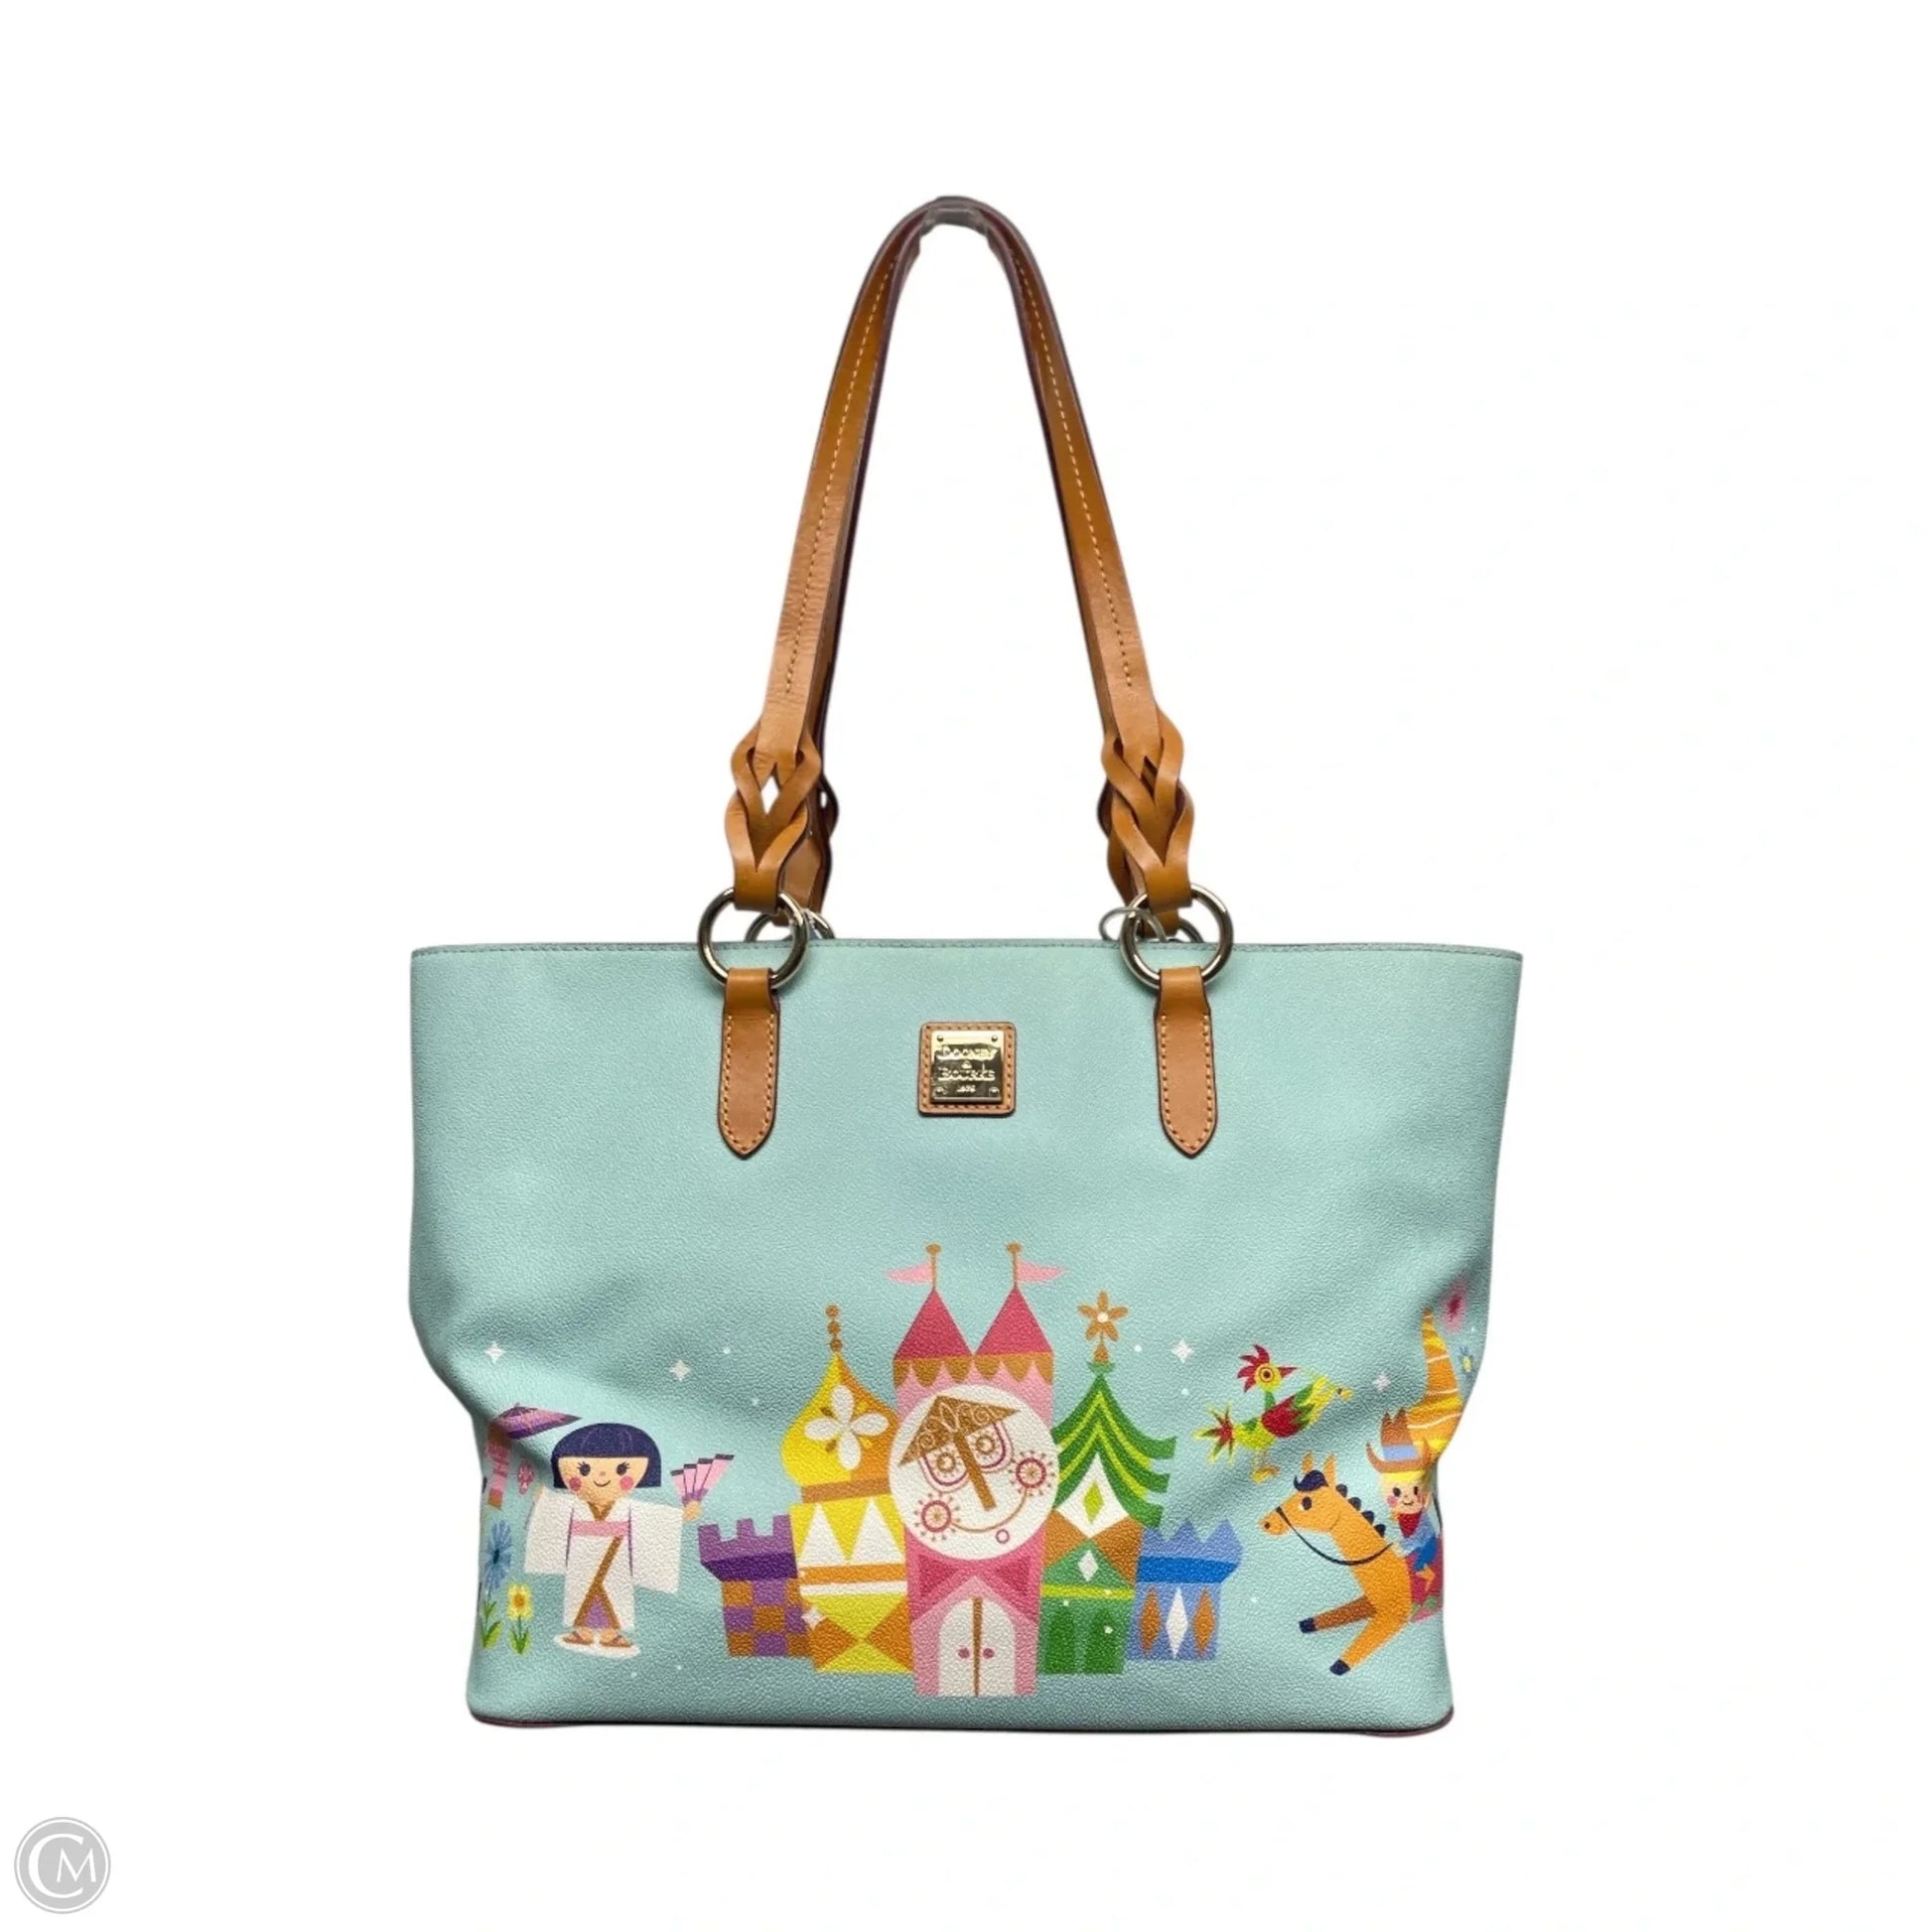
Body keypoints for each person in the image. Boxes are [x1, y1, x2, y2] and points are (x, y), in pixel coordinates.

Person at [523, 1421, 701, 1654]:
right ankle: (582, 1631)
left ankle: (611, 1633)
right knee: (581, 1592)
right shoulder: (574, 1506)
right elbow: (552, 1507)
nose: (602, 1475)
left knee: (614, 1594)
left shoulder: (629, 1508)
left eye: (621, 1469)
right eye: (584, 1470)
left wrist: (682, 1516)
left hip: (616, 1558)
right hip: (581, 1557)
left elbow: (654, 1519)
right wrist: (542, 1497)